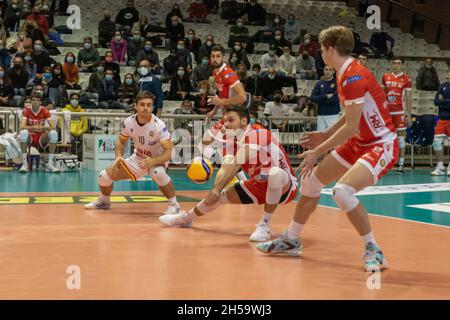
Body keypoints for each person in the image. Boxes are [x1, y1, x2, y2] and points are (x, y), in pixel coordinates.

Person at [257, 26, 397, 272]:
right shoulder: (344, 73)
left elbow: (352, 125)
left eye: (322, 49)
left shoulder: (353, 76)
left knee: (342, 192)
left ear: (330, 49)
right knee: (310, 183)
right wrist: (325, 134)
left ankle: (374, 249)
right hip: (359, 142)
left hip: (381, 144)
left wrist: (317, 150)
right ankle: (291, 239)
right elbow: (350, 117)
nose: (320, 53)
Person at [160, 105, 298, 243]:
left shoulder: (258, 133)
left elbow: (238, 162)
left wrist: (217, 189)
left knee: (275, 174)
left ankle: (264, 226)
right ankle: (185, 219)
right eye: (224, 120)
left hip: (286, 186)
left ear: (244, 121)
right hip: (258, 184)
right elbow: (226, 167)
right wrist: (215, 190)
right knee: (219, 196)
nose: (226, 124)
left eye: (231, 120)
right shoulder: (231, 142)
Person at [85, 91, 182, 215]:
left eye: (148, 105)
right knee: (103, 177)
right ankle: (104, 201)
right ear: (136, 106)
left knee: (158, 173)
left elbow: (169, 153)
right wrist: (119, 156)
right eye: (142, 104)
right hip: (138, 158)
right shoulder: (129, 122)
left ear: (152, 108)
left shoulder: (159, 126)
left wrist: (154, 161)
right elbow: (121, 141)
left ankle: (174, 206)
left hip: (157, 158)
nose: (145, 108)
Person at [381, 57, 412, 175]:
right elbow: (382, 96)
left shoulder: (406, 79)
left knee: (401, 140)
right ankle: (385, 164)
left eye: (398, 63)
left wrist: (408, 115)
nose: (396, 65)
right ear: (392, 64)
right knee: (385, 139)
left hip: (399, 113)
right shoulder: (385, 77)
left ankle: (401, 165)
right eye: (394, 63)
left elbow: (408, 97)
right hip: (387, 114)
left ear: (402, 65)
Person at [18, 92, 60, 173]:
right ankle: (24, 164)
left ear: (40, 102)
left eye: (37, 100)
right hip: (30, 137)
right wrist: (33, 128)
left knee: (54, 133)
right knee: (23, 132)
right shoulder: (26, 110)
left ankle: (50, 164)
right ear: (31, 101)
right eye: (33, 100)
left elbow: (53, 126)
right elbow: (22, 126)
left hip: (41, 137)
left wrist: (43, 127)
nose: (35, 102)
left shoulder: (45, 110)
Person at [431, 70, 450, 176]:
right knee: (436, 142)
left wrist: (444, 101)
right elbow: (436, 101)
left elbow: (440, 102)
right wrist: (448, 102)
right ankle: (440, 166)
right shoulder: (442, 86)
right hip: (442, 119)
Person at [310, 65, 340, 132]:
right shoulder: (319, 84)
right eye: (326, 69)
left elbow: (334, 100)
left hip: (333, 115)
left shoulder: (337, 83)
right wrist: (325, 96)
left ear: (333, 71)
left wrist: (319, 100)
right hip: (321, 115)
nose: (328, 72)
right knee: (320, 138)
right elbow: (312, 98)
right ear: (323, 70)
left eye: (330, 70)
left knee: (332, 138)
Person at [60, 92, 89, 158]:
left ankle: (78, 156)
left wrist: (79, 132)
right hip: (68, 132)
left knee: (85, 138)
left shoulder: (82, 111)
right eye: (73, 98)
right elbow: (61, 123)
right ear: (70, 100)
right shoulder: (64, 110)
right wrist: (71, 132)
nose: (74, 100)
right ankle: (71, 155)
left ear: (79, 100)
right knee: (71, 139)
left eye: (76, 99)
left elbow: (85, 125)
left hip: (80, 132)